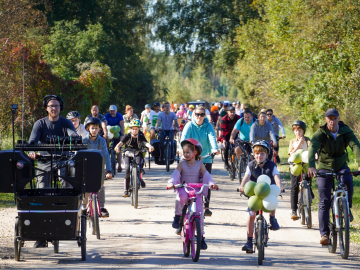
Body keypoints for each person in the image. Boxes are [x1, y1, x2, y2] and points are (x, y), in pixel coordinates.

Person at [28, 95, 77, 248]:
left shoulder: (66, 122)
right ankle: (41, 236)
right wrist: (32, 151)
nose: (54, 108)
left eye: (56, 105)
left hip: (62, 160)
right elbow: (32, 142)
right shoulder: (40, 123)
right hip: (44, 162)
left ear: (60, 107)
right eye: (51, 106)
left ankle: (66, 218)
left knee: (67, 182)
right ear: (46, 108)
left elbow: (73, 136)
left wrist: (74, 138)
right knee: (42, 192)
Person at [308, 109, 360, 245]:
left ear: (338, 119)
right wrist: (311, 165)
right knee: (324, 201)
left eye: (334, 118)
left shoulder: (345, 131)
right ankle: (324, 234)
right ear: (325, 120)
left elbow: (355, 146)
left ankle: (347, 208)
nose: (332, 121)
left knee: (348, 180)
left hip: (341, 164)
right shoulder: (321, 133)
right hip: (325, 166)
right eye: (329, 119)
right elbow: (312, 147)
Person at [167, 139, 218, 249]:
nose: (185, 154)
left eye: (187, 152)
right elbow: (175, 174)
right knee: (180, 197)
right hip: (184, 188)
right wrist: (171, 183)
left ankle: (201, 237)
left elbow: (207, 175)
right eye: (184, 152)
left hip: (196, 191)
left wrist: (212, 183)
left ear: (195, 153)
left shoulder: (200, 164)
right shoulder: (182, 164)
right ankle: (177, 217)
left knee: (200, 214)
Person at [239, 140, 283, 252]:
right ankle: (249, 241)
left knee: (272, 197)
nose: (259, 156)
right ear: (253, 154)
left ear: (267, 155)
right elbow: (246, 177)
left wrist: (280, 186)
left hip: (268, 190)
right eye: (257, 153)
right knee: (251, 215)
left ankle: (272, 218)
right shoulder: (250, 165)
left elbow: (277, 178)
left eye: (262, 153)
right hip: (254, 192)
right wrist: (242, 186)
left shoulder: (272, 165)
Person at [180, 106, 220, 216]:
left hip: (206, 157)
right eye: (197, 114)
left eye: (202, 114)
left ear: (204, 116)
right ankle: (185, 209)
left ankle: (206, 206)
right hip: (191, 157)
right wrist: (181, 150)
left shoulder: (208, 126)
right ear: (194, 115)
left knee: (206, 181)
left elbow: (212, 138)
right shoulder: (189, 126)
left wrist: (215, 149)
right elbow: (183, 139)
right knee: (188, 181)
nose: (199, 116)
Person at [82, 117, 112, 218]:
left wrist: (108, 170)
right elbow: (79, 155)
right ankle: (84, 207)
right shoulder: (84, 140)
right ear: (88, 129)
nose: (94, 130)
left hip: (98, 167)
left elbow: (106, 155)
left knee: (101, 187)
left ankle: (102, 207)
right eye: (92, 128)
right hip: (86, 167)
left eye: (96, 128)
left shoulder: (102, 141)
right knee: (86, 189)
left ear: (99, 129)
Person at [115, 120, 154, 197]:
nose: (135, 130)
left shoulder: (141, 135)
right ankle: (126, 190)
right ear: (130, 129)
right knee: (127, 168)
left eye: (136, 129)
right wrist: (117, 146)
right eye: (133, 129)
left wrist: (150, 146)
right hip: (128, 153)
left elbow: (145, 142)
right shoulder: (127, 136)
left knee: (139, 165)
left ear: (139, 129)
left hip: (137, 153)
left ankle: (140, 178)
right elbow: (121, 142)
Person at [288, 120, 313, 220]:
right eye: (295, 131)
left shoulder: (308, 140)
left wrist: (316, 156)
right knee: (294, 186)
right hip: (295, 165)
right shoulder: (292, 141)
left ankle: (309, 190)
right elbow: (290, 153)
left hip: (305, 164)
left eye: (300, 130)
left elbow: (312, 150)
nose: (297, 132)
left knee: (308, 177)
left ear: (303, 131)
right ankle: (294, 211)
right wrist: (299, 144)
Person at [105, 105, 125, 172]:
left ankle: (119, 165)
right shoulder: (107, 115)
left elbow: (122, 126)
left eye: (113, 111)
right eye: (111, 111)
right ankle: (107, 149)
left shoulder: (119, 115)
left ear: (116, 111)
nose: (112, 112)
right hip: (109, 132)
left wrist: (122, 135)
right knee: (106, 138)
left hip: (117, 133)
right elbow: (105, 125)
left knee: (119, 148)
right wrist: (105, 134)